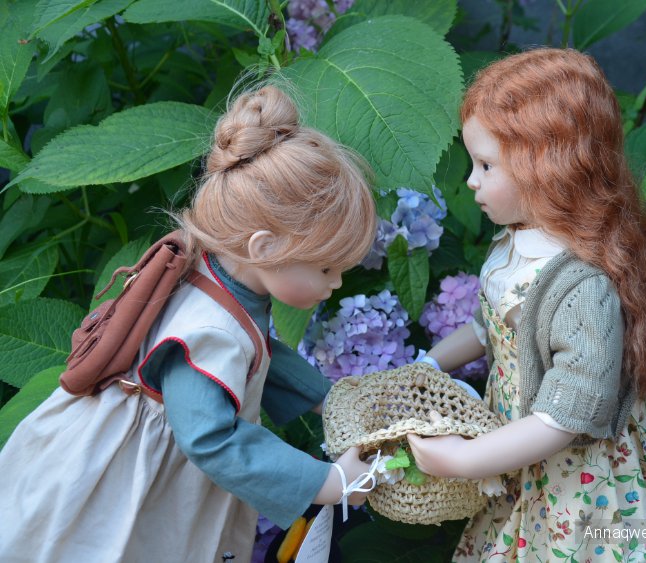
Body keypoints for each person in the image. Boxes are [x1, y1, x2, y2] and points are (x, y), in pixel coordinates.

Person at [0, 85, 378, 562]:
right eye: (326, 268)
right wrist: (328, 482)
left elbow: (254, 351)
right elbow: (210, 437)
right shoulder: (209, 328)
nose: (337, 283)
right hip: (131, 483)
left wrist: (327, 399)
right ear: (264, 248)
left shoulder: (221, 272)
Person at [407, 48, 646, 562]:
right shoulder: (516, 241)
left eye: (486, 165)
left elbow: (568, 414)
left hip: (575, 465)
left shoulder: (580, 284)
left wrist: (466, 460)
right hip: (522, 443)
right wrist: (431, 362)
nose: (471, 180)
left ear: (548, 166)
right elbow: (493, 324)